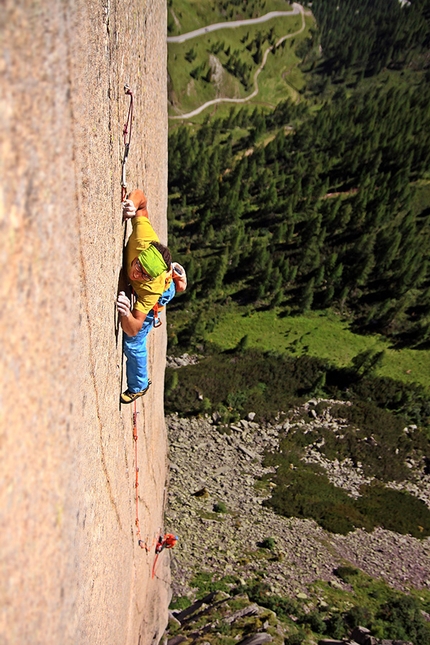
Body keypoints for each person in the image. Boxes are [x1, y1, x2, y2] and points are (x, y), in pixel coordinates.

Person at [116, 189, 187, 404]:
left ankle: (139, 385)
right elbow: (141, 200)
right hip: (159, 280)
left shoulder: (150, 290)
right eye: (139, 265)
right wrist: (131, 203)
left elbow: (134, 327)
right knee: (164, 283)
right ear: (142, 254)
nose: (136, 273)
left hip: (159, 293)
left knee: (133, 343)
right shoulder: (143, 238)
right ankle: (176, 277)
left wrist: (127, 312)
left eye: (143, 275)